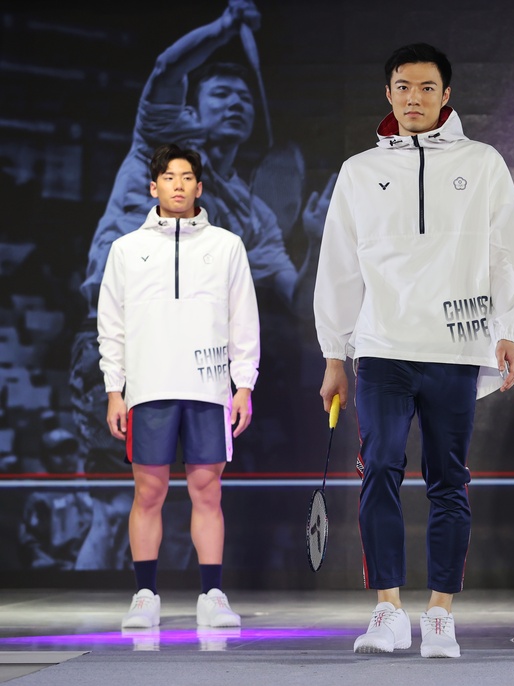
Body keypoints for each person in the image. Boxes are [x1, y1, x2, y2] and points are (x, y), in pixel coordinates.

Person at [70, 0, 333, 570]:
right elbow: (167, 70)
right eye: (221, 94)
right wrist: (223, 30)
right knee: (121, 502)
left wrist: (313, 240)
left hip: (199, 367)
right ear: (191, 110)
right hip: (127, 348)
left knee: (198, 490)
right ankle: (100, 615)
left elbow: (295, 296)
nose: (236, 102)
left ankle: (196, 602)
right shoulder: (157, 147)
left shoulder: (253, 214)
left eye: (243, 97)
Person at [314, 43, 514, 658]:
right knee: (379, 469)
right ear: (388, 94)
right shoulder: (359, 171)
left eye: (427, 87)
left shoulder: (483, 163)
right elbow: (337, 268)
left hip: (456, 348)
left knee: (448, 481)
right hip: (381, 348)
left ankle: (440, 614)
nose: (414, 98)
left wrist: (509, 330)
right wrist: (335, 354)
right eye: (403, 87)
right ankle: (387, 610)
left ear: (447, 96)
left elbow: (511, 253)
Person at [97, 143, 260, 629]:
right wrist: (114, 388)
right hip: (147, 389)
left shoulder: (226, 246)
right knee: (148, 492)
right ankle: (145, 594)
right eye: (169, 177)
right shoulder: (126, 250)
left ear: (199, 187)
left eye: (187, 177)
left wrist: (243, 384)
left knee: (207, 491)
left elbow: (242, 320)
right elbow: (112, 324)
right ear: (154, 187)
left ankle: (212, 594)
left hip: (209, 390)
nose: (178, 185)